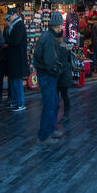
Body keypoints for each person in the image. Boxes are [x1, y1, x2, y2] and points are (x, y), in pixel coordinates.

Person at [33, 11, 64, 146]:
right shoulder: (50, 39)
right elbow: (50, 62)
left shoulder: (47, 36)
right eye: (61, 26)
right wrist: (58, 69)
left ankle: (51, 130)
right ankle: (43, 136)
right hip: (48, 75)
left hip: (45, 74)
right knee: (50, 105)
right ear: (58, 26)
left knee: (53, 103)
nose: (62, 28)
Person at [5, 8, 29, 111]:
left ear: (14, 15)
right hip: (15, 58)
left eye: (9, 16)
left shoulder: (18, 25)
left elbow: (15, 41)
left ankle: (20, 104)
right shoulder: (14, 25)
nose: (8, 18)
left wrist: (7, 41)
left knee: (17, 81)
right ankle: (15, 102)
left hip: (18, 58)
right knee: (13, 81)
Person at [0, 21, 11, 104]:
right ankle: (5, 96)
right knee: (2, 77)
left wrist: (3, 45)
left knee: (2, 76)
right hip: (5, 56)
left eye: (7, 20)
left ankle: (2, 96)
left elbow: (9, 43)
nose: (5, 22)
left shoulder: (9, 29)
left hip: (6, 56)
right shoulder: (6, 29)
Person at [57, 38, 73, 124]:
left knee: (60, 95)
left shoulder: (58, 49)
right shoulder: (66, 48)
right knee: (64, 95)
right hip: (63, 75)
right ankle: (66, 115)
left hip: (60, 75)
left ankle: (64, 115)